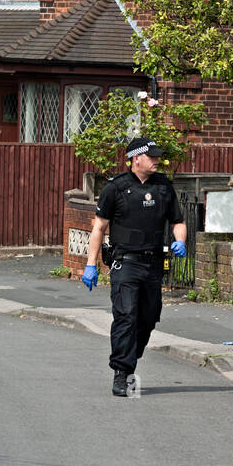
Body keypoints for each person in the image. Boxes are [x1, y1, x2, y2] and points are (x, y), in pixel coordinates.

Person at [81, 137, 188, 396]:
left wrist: (180, 241)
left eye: (157, 156)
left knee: (148, 317)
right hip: (125, 263)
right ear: (136, 158)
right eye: (151, 156)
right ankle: (122, 371)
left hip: (152, 264)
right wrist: (90, 264)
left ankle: (130, 355)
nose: (157, 160)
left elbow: (178, 221)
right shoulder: (115, 188)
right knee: (126, 315)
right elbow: (99, 227)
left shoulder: (163, 187)